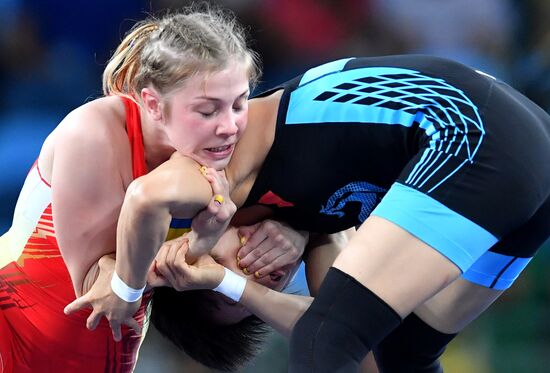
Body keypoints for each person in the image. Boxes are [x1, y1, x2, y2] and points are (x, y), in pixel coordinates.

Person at [78, 54, 550, 372]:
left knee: (325, 343)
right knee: (402, 351)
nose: (256, 270)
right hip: (529, 159)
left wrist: (127, 282)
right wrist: (230, 280)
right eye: (254, 290)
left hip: (470, 132)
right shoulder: (319, 234)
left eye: (223, 266)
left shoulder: (214, 173)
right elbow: (355, 344)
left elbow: (143, 198)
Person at [0, 7, 276, 372]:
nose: (229, 126)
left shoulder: (218, 145)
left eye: (239, 104)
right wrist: (198, 245)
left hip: (105, 353)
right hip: (14, 331)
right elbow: (100, 289)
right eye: (208, 111)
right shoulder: (95, 134)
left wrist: (290, 233)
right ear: (152, 104)